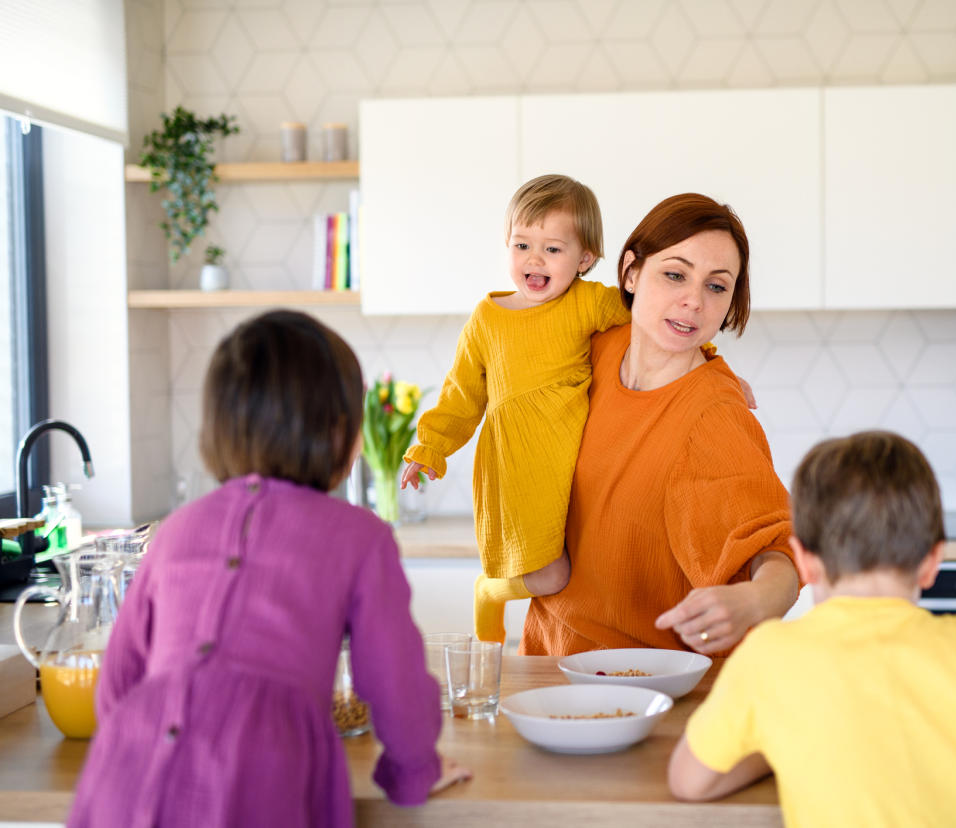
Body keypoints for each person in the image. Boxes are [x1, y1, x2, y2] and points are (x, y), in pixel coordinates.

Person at [68, 311, 470, 828]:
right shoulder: (360, 537)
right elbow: (396, 683)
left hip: (126, 771)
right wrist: (415, 771)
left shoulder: (175, 530)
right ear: (340, 430)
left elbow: (118, 684)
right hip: (262, 773)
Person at [667, 431, 956, 826]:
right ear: (932, 562)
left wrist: (775, 748)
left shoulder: (768, 654)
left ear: (805, 562)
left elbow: (690, 782)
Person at [521, 193, 800, 657]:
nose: (693, 301)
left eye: (716, 286)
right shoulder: (587, 349)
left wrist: (755, 600)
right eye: (675, 274)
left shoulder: (714, 413)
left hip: (652, 691)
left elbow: (777, 546)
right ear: (631, 271)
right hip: (547, 670)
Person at [400, 174, 630, 644]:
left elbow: (652, 317)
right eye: (522, 244)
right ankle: (489, 592)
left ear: (585, 259)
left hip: (577, 466)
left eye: (552, 249)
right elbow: (461, 396)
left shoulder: (587, 302)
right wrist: (428, 447)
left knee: (590, 567)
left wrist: (710, 359)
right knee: (552, 575)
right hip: (521, 468)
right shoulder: (487, 319)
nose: (534, 259)